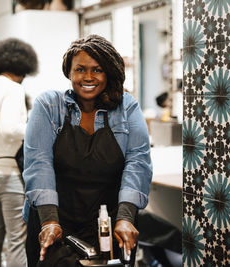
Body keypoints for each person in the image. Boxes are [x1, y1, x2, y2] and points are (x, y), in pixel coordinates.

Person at [23, 34, 153, 267]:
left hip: (108, 222)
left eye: (97, 70)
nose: (88, 77)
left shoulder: (127, 107)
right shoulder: (49, 106)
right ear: (69, 73)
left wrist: (125, 217)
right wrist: (49, 222)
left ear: (109, 73)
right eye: (80, 69)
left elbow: (138, 161)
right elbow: (38, 162)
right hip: (54, 221)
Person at [0, 38, 38, 267]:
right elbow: (10, 129)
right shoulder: (13, 89)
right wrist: (37, 128)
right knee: (17, 241)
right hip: (9, 173)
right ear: (23, 66)